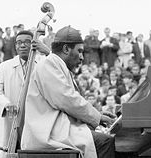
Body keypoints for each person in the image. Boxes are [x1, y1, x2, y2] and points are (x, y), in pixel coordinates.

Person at [21, 26, 116, 158]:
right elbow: (68, 99)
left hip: (57, 129)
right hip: (48, 134)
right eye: (80, 51)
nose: (82, 57)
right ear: (66, 49)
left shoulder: (57, 65)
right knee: (105, 141)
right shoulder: (48, 65)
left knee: (102, 138)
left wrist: (97, 114)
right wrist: (98, 118)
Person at [0, 30, 50, 149]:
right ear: (15, 46)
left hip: (38, 121)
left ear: (34, 44)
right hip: (14, 122)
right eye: (19, 42)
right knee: (13, 150)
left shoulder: (44, 64)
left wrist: (48, 52)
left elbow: (61, 71)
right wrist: (6, 104)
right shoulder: (4, 66)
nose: (22, 45)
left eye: (27, 42)